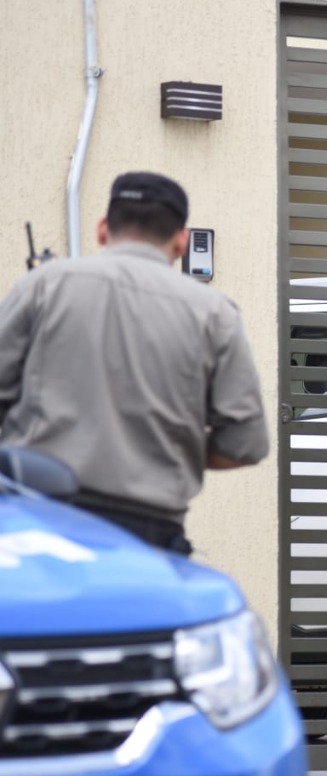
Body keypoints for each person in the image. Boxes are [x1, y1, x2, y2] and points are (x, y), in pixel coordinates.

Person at [0, 172, 269, 555]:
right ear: (181, 240)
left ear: (102, 229)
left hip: (37, 521)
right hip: (148, 536)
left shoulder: (42, 286)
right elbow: (246, 443)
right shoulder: (215, 314)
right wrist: (170, 446)